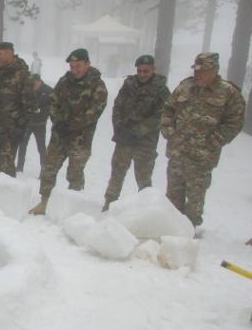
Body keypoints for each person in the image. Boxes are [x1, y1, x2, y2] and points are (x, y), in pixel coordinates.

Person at [161, 52, 245, 226]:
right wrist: (169, 131)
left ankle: (190, 232)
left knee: (194, 201)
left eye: (203, 70)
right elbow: (168, 109)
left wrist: (214, 141)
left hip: (201, 158)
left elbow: (235, 122)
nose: (198, 74)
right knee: (172, 199)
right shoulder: (185, 86)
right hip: (178, 152)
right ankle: (172, 231)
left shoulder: (228, 92)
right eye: (196, 69)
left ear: (214, 70)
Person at [30, 48, 107, 215]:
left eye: (78, 66)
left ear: (87, 64)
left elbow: (94, 112)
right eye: (72, 66)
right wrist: (58, 121)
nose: (74, 70)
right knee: (49, 169)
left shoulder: (97, 85)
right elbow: (53, 101)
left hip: (80, 139)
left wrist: (71, 125)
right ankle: (44, 202)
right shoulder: (64, 81)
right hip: (59, 135)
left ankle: (73, 207)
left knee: (75, 173)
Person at [102, 55, 170, 211]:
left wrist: (138, 131)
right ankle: (109, 203)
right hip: (124, 138)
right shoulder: (128, 85)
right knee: (117, 173)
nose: (142, 74)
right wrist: (118, 127)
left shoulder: (161, 90)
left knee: (144, 179)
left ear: (153, 69)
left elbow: (162, 115)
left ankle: (146, 210)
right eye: (139, 70)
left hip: (145, 143)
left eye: (146, 71)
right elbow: (117, 107)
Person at [0, 42, 34, 176]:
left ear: (9, 53)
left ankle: (8, 195)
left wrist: (21, 128)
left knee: (6, 167)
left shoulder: (23, 75)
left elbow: (30, 106)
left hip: (10, 131)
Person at [16, 74, 51, 172]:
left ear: (40, 81)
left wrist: (42, 112)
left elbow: (51, 107)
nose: (33, 86)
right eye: (32, 84)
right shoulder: (28, 90)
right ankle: (19, 167)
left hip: (40, 124)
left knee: (41, 146)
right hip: (28, 122)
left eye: (35, 84)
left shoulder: (48, 91)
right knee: (22, 144)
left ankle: (44, 169)